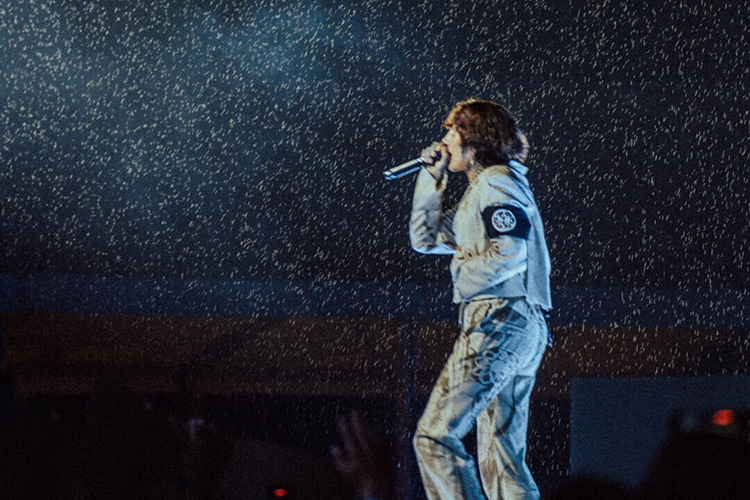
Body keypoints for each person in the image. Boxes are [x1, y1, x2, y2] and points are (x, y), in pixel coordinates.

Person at [409, 99, 552, 500]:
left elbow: (510, 251)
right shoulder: (484, 189)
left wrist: (462, 272)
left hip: (499, 318)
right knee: (502, 460)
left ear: (473, 140)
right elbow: (426, 239)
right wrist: (431, 179)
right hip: (517, 324)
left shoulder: (496, 183)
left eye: (453, 131)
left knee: (435, 436)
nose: (445, 140)